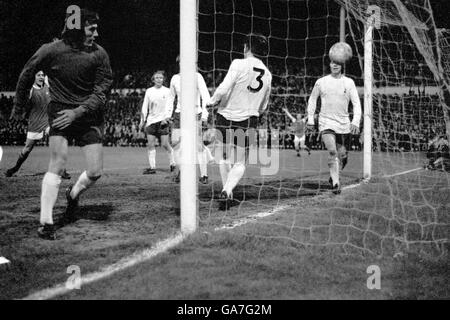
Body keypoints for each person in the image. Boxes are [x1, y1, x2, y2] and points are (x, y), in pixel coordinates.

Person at [11, 8, 113, 240]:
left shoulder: (99, 54)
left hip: (88, 114)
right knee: (57, 162)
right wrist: (18, 107)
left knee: (95, 172)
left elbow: (102, 91)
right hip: (58, 111)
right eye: (91, 29)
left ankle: (73, 193)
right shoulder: (51, 50)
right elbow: (27, 73)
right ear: (77, 29)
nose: (96, 34)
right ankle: (46, 223)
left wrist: (77, 112)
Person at [207, 33, 272, 210]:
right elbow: (264, 105)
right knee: (240, 161)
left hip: (225, 116)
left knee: (223, 157)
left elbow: (224, 87)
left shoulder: (238, 63)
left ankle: (226, 191)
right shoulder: (267, 73)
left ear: (246, 48)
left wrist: (211, 101)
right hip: (249, 120)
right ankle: (228, 191)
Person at [306, 47, 361, 194]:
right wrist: (311, 119)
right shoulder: (321, 82)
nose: (334, 65)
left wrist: (356, 121)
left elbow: (356, 103)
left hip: (343, 124)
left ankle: (334, 175)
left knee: (343, 155)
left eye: (338, 63)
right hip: (326, 122)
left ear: (342, 64)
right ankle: (336, 183)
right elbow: (312, 100)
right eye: (332, 62)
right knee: (332, 151)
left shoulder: (349, 83)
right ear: (329, 64)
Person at [6, 71, 71, 179]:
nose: (41, 77)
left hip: (47, 123)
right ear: (34, 77)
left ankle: (62, 170)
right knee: (27, 149)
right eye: (38, 75)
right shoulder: (31, 90)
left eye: (42, 75)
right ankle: (15, 168)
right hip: (34, 124)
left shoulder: (47, 86)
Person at [166, 56, 212, 184]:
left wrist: (205, 115)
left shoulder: (197, 77)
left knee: (197, 145)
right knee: (175, 144)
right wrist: (167, 114)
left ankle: (204, 175)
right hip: (179, 115)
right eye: (182, 61)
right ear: (179, 63)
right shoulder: (175, 78)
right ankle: (181, 171)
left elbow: (206, 96)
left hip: (194, 114)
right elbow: (171, 98)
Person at [139, 71, 176, 174]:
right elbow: (145, 106)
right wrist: (142, 120)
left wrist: (167, 118)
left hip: (163, 121)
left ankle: (173, 163)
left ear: (163, 79)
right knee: (150, 144)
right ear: (153, 80)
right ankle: (152, 167)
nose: (159, 79)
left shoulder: (168, 91)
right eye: (157, 78)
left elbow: (170, 105)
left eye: (160, 77)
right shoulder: (149, 91)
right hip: (151, 121)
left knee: (165, 144)